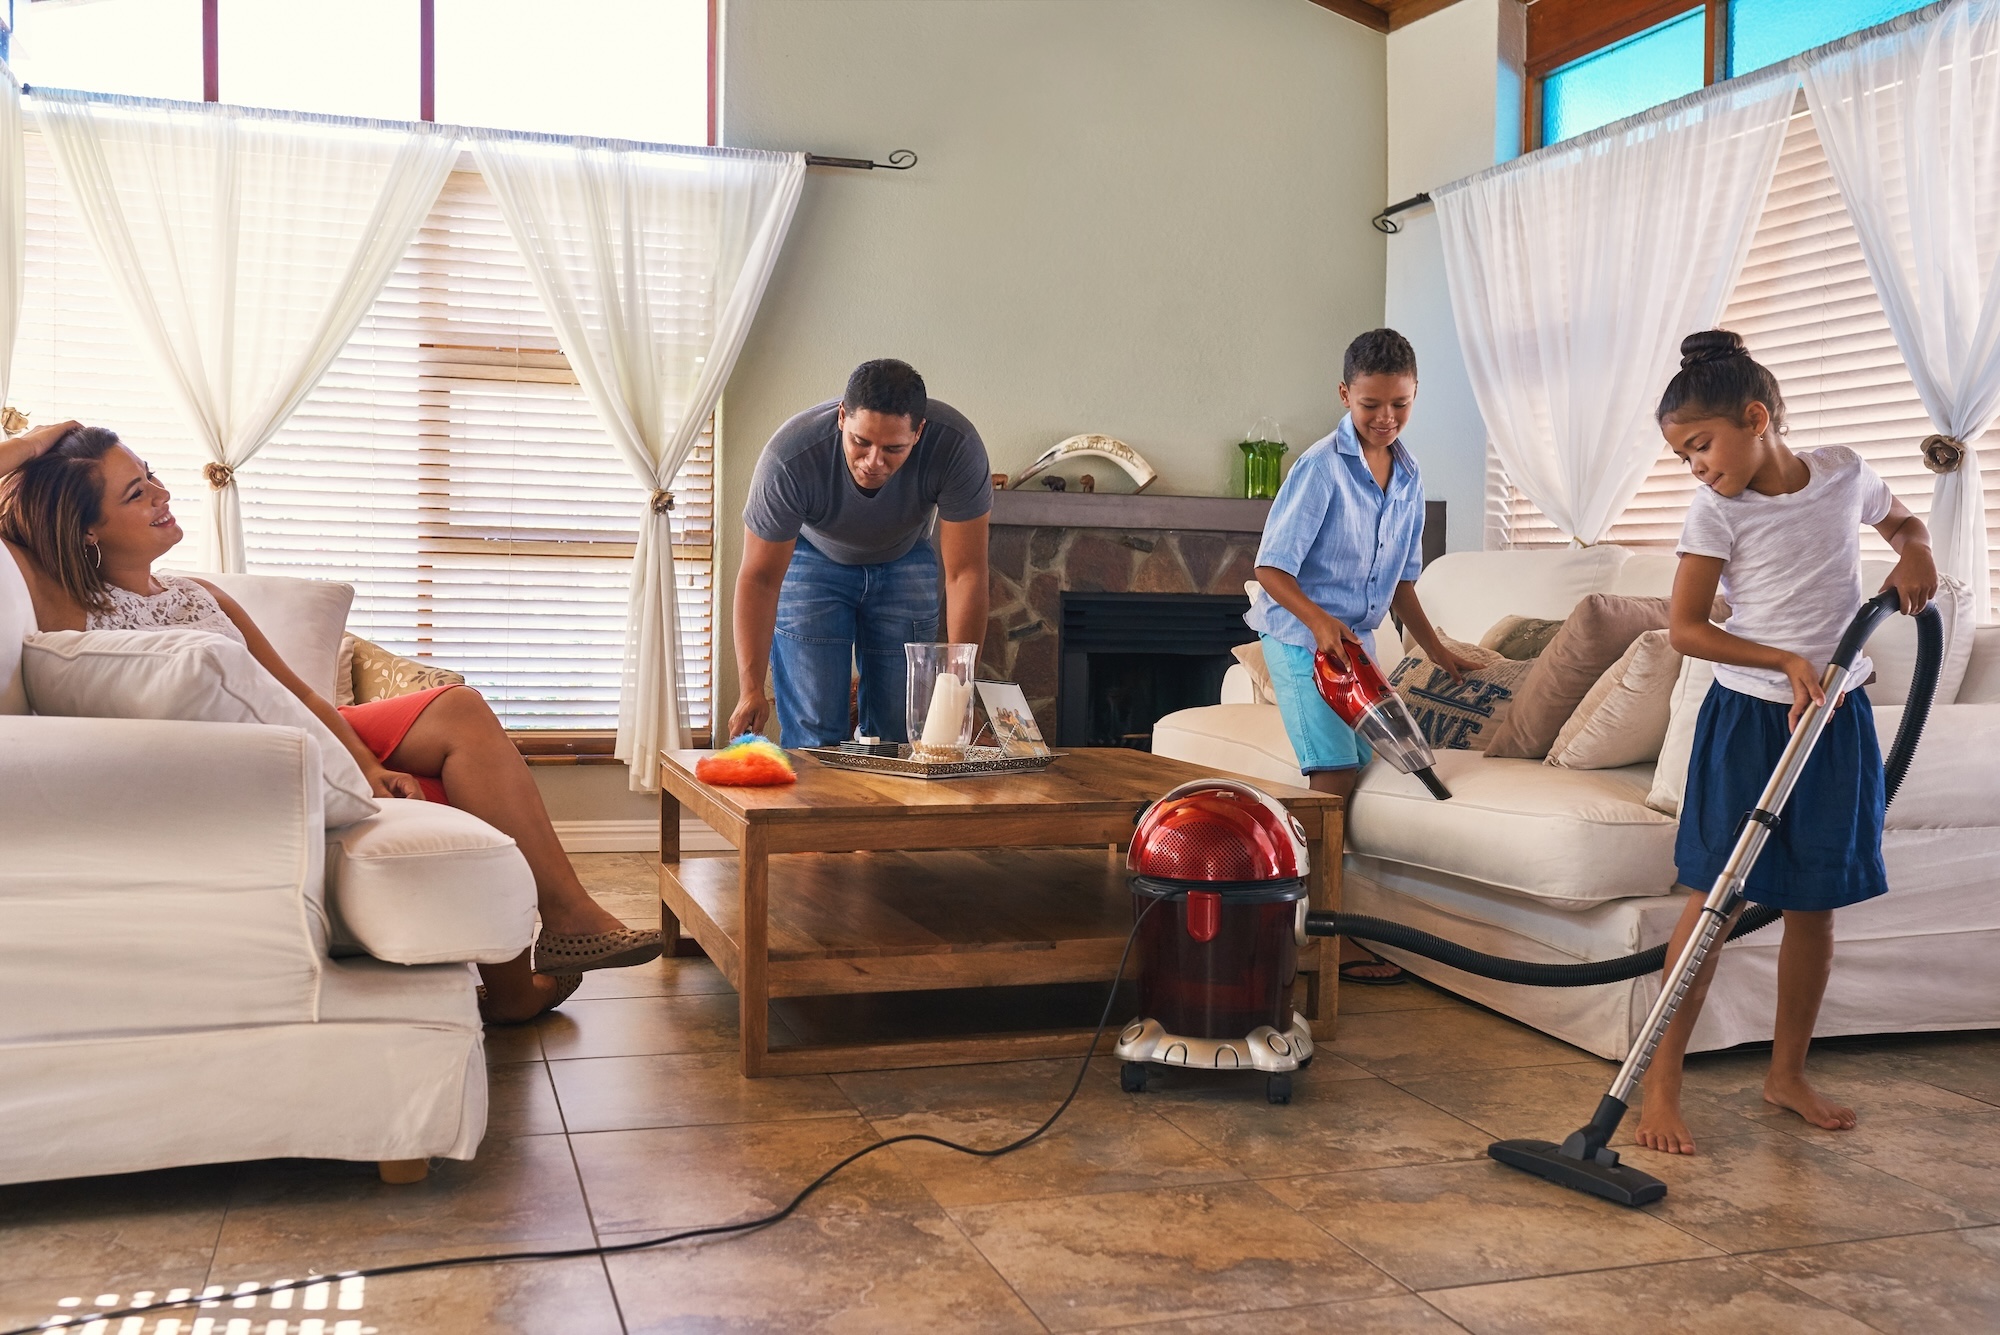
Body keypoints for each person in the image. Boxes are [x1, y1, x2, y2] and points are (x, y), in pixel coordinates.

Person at [0, 423, 663, 1025]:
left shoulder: (198, 593)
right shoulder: (64, 599)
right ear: (87, 530)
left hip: (305, 726)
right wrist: (29, 447)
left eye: (152, 476)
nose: (162, 494)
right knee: (446, 770)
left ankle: (559, 928)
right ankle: (531, 968)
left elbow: (301, 693)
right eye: (136, 493)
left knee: (457, 710)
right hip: (255, 759)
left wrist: (366, 767)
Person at [1636, 330, 1936, 1154]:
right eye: (1682, 456)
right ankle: (1660, 1085)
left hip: (1835, 718)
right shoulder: (1715, 511)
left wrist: (1916, 549)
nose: (1695, 467)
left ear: (1756, 418)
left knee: (1815, 902)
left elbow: (1904, 522)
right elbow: (1686, 628)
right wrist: (1782, 659)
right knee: (1715, 897)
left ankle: (1787, 1073)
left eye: (1701, 445)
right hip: (1749, 718)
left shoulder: (1842, 473)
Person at [1248, 328, 1480, 985]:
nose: (1385, 418)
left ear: (1415, 395)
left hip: (1353, 642)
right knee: (1333, 777)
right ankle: (1316, 937)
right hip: (1301, 637)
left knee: (1365, 764)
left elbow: (1403, 581)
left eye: (1400, 404)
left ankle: (1320, 919)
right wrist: (1320, 622)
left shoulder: (1408, 475)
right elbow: (1270, 569)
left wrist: (1437, 650)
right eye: (1370, 404)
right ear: (1345, 394)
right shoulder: (1320, 468)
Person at [730, 359, 991, 747]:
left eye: (893, 448)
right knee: (814, 733)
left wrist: (960, 684)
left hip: (904, 557)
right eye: (860, 442)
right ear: (842, 417)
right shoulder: (790, 457)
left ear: (919, 432)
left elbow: (965, 573)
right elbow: (760, 578)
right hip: (814, 557)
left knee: (902, 732)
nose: (873, 462)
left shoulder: (956, 446)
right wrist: (750, 688)